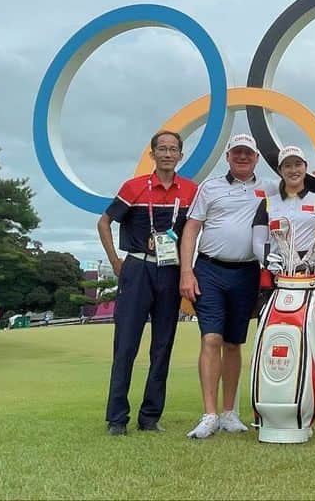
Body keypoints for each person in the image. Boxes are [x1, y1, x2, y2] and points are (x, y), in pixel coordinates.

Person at [97, 130, 197, 436]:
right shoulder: (134, 187)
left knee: (163, 345)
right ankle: (117, 418)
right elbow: (104, 222)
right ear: (152, 154)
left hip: (170, 270)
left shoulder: (191, 191)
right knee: (126, 344)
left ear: (181, 155)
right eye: (162, 149)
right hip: (137, 267)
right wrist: (115, 261)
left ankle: (150, 416)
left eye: (173, 150)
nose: (167, 154)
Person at [180, 133, 278, 439]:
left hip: (247, 272)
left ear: (256, 158)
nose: (242, 157)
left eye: (248, 153)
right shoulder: (210, 187)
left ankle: (229, 412)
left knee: (234, 343)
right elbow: (192, 228)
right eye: (237, 153)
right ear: (228, 156)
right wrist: (186, 271)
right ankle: (209, 414)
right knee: (211, 339)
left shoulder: (270, 188)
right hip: (209, 269)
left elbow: (297, 192)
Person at [252, 145, 315, 305]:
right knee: (273, 324)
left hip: (310, 273)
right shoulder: (268, 203)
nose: (293, 170)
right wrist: (274, 268)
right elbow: (258, 241)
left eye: (298, 164)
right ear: (280, 170)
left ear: (306, 167)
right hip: (277, 271)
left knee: (307, 325)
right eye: (287, 165)